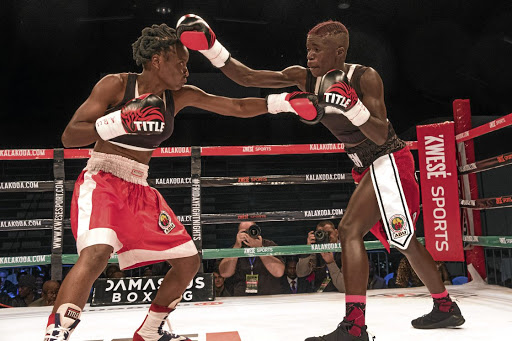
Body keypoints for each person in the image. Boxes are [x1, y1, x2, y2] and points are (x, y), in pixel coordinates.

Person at [177, 15, 465, 340]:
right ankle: (445, 307)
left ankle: (355, 326)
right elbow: (246, 76)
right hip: (364, 167)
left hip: (387, 160)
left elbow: (381, 132)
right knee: (405, 242)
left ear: (339, 52)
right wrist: (212, 47)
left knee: (349, 230)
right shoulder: (303, 78)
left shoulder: (365, 77)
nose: (309, 56)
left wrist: (352, 105)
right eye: (307, 50)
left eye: (316, 50)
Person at [44, 23, 321, 341]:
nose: (187, 70)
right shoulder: (117, 85)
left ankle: (150, 331)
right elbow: (70, 136)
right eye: (181, 62)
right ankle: (58, 331)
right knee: (96, 253)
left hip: (139, 186)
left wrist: (284, 102)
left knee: (188, 260)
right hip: (103, 179)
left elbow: (236, 106)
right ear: (158, 59)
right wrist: (119, 119)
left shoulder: (180, 96)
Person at [218, 221, 285, 296]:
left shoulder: (269, 245)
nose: (247, 234)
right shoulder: (234, 248)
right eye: (244, 232)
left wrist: (259, 249)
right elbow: (225, 273)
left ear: (257, 230)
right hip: (241, 297)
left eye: (250, 230)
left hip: (267, 296)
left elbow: (279, 272)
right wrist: (236, 248)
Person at [296, 220, 345, 293]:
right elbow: (301, 273)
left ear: (336, 232)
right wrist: (308, 249)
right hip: (320, 295)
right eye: (321, 233)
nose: (326, 236)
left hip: (341, 295)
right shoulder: (316, 250)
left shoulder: (346, 250)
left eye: (328, 233)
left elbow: (344, 287)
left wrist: (331, 263)